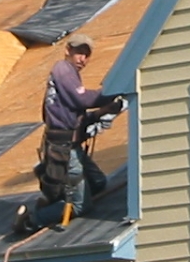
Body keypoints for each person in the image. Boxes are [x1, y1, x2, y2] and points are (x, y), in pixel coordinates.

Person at [14, 36, 123, 234]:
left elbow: (76, 116)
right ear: (67, 50)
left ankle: (55, 202)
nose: (82, 58)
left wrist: (102, 111)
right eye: (79, 52)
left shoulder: (69, 74)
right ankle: (32, 219)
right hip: (63, 150)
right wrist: (114, 91)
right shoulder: (63, 70)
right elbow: (81, 99)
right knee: (81, 206)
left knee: (98, 183)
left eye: (87, 55)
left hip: (71, 147)